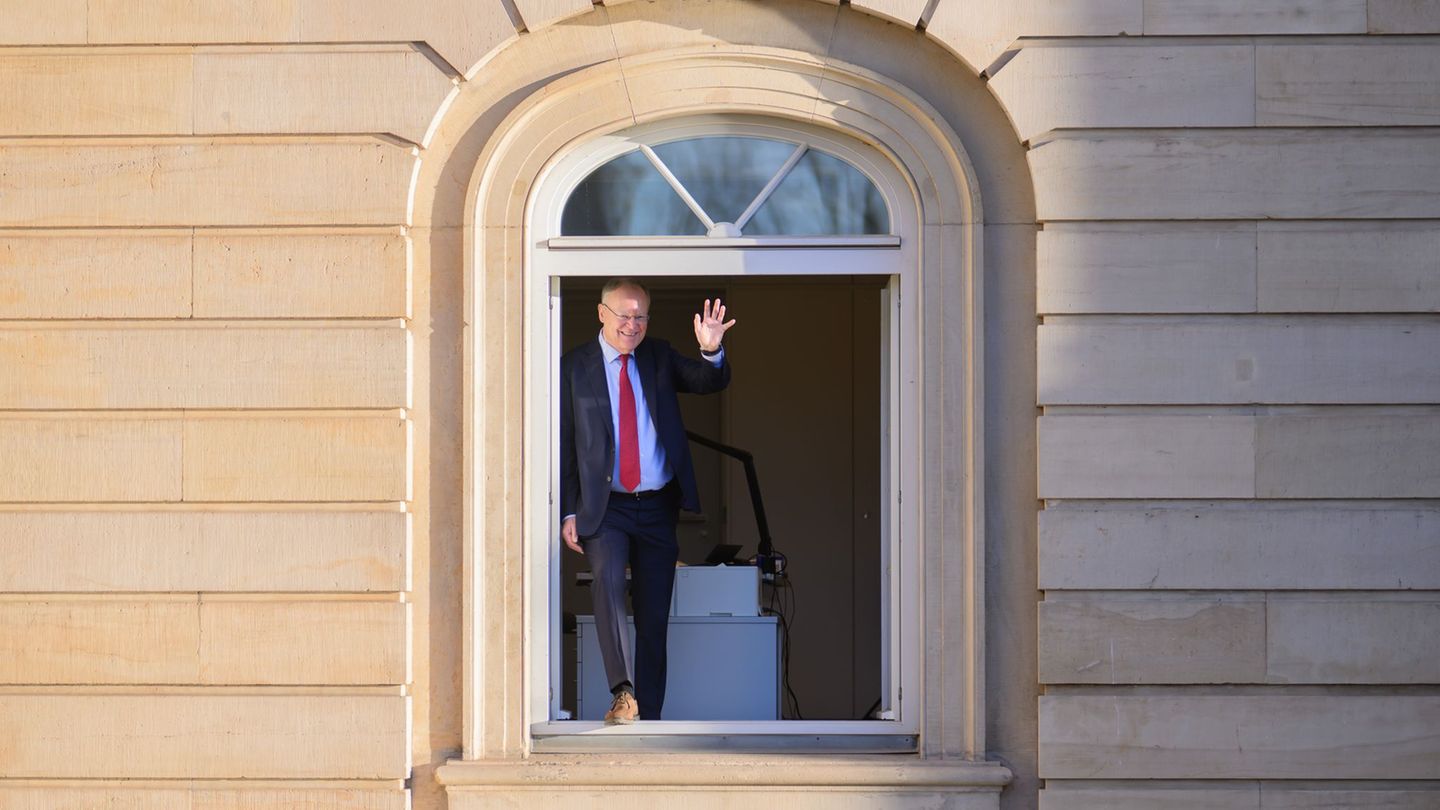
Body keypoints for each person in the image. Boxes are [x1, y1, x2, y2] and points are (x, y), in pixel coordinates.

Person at [559, 278, 736, 724]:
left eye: (639, 317)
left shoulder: (657, 355)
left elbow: (704, 381)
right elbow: (564, 445)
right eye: (623, 315)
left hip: (656, 505)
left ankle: (650, 715)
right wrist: (568, 509)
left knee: (654, 615)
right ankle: (623, 694)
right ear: (602, 314)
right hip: (606, 505)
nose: (632, 325)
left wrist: (711, 350)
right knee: (608, 587)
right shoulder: (574, 367)